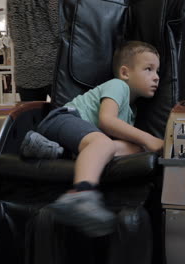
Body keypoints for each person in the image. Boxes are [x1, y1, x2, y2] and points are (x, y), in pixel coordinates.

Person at [20, 41, 164, 237]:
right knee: (106, 143)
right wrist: (149, 139)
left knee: (134, 148)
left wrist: (143, 145)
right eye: (148, 69)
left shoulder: (131, 110)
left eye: (157, 71)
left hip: (79, 138)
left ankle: (51, 149)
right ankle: (81, 194)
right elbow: (107, 121)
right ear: (125, 72)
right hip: (64, 118)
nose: (156, 77)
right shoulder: (118, 86)